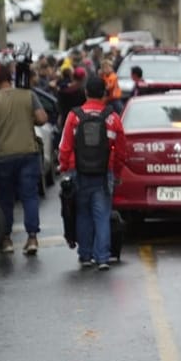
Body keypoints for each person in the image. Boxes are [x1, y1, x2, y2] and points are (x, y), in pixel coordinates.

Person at [0, 64, 49, 255]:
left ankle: (6, 240)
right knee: (30, 196)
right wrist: (28, 120)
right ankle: (32, 237)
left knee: (5, 199)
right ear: (10, 78)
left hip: (3, 156)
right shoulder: (28, 95)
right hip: (28, 153)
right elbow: (42, 118)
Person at [58, 77, 126, 270]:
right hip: (105, 173)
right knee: (102, 215)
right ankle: (103, 258)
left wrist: (64, 168)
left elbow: (65, 146)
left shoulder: (75, 116)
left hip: (78, 171)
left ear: (86, 92)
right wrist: (117, 172)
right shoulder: (112, 117)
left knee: (83, 214)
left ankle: (85, 255)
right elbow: (122, 150)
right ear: (104, 94)